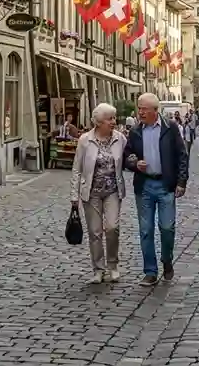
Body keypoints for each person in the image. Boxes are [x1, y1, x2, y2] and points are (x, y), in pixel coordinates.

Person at [123, 92, 188, 287]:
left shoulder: (171, 128)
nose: (140, 112)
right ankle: (150, 271)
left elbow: (182, 155)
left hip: (165, 184)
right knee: (146, 230)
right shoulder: (135, 131)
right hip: (144, 185)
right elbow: (128, 155)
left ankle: (167, 260)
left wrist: (181, 182)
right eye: (139, 108)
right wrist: (135, 164)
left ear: (155, 110)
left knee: (167, 227)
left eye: (144, 109)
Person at [70, 103, 128, 284]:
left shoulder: (120, 139)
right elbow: (77, 169)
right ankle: (98, 269)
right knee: (95, 232)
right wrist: (74, 195)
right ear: (99, 122)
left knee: (112, 228)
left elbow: (129, 158)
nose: (113, 122)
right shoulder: (85, 140)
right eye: (109, 119)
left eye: (114, 118)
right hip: (91, 192)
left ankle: (113, 266)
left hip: (112, 191)